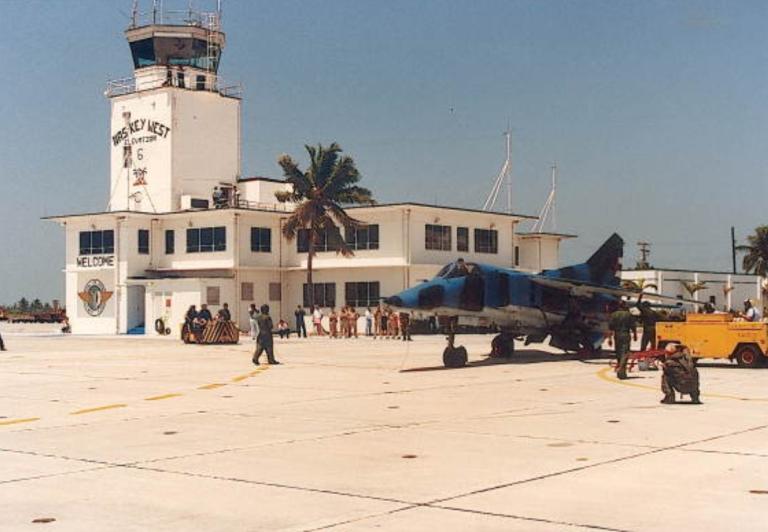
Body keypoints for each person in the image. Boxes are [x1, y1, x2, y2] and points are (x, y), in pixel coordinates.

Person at [607, 300, 637, 380]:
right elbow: (633, 326)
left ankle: (621, 371)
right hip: (625, 334)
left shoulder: (613, 315)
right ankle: (621, 368)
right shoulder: (628, 314)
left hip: (617, 335)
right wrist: (635, 335)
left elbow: (610, 328)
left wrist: (609, 339)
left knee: (618, 352)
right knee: (625, 352)